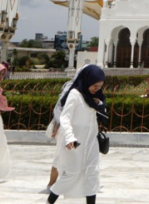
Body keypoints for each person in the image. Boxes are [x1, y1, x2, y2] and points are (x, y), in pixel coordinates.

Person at [48, 64, 107, 204]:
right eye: (95, 86)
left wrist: (99, 104)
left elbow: (99, 113)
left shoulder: (95, 97)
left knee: (93, 172)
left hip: (91, 140)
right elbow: (65, 117)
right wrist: (69, 136)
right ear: (87, 80)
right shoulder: (75, 94)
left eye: (100, 87)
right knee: (72, 173)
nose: (97, 89)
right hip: (75, 141)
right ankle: (50, 200)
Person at [45, 67, 86, 191]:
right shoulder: (71, 88)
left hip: (79, 129)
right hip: (66, 130)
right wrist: (60, 122)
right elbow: (59, 108)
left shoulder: (86, 89)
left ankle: (69, 184)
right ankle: (51, 185)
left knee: (77, 156)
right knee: (60, 157)